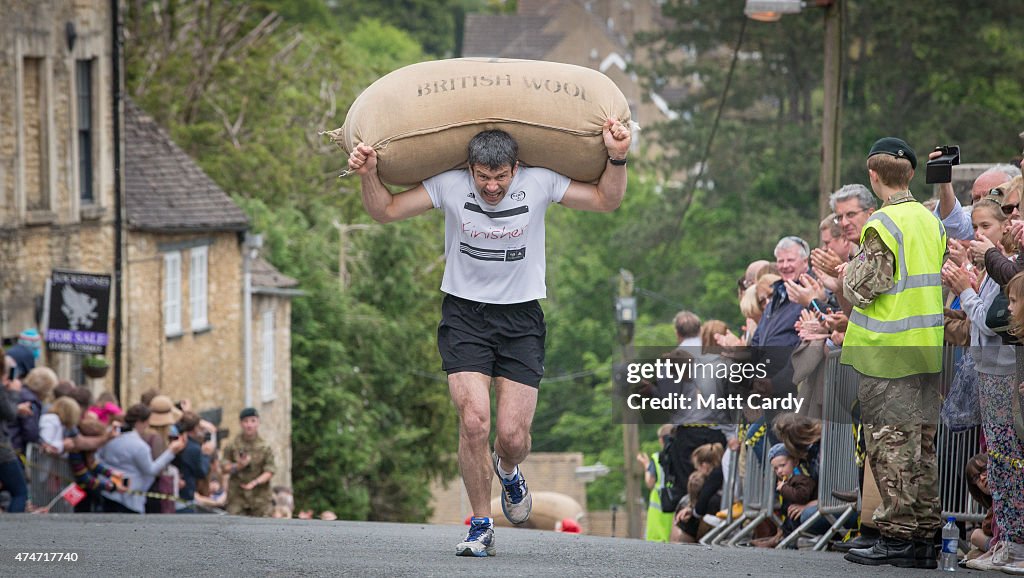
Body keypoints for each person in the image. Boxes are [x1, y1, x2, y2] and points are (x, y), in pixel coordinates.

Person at [347, 118, 631, 557]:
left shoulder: (540, 182)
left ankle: (509, 469)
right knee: (474, 420)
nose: (492, 188)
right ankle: (481, 524)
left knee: (512, 437)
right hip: (464, 315)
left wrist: (616, 156)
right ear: (470, 169)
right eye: (483, 177)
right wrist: (367, 175)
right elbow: (383, 210)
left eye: (500, 177)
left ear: (515, 168)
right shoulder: (448, 185)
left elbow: (606, 199)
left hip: (521, 319)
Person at [839, 137, 946, 569]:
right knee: (921, 447)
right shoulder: (930, 221)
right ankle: (923, 534)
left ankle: (898, 535)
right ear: (911, 174)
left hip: (888, 354)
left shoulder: (884, 223)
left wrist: (847, 270)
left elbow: (866, 285)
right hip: (925, 349)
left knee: (891, 447)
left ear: (873, 176)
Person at [97, 403, 187, 513]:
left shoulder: (110, 434)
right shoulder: (139, 446)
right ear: (142, 422)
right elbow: (151, 470)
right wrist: (171, 452)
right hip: (130, 499)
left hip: (106, 490)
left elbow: (98, 457)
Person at [220, 407, 275, 517]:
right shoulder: (232, 446)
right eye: (246, 421)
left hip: (260, 497)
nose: (249, 425)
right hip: (237, 496)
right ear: (241, 423)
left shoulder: (265, 447)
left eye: (253, 421)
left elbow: (270, 471)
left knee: (262, 528)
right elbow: (224, 468)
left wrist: (255, 482)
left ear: (258, 423)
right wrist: (238, 466)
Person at [0, 349, 29, 512]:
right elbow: (9, 413)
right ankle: (13, 531)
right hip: (2, 448)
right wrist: (14, 392)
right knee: (20, 491)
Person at [636, 424, 674, 542]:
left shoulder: (657, 458)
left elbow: (650, 482)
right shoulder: (682, 457)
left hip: (658, 514)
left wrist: (646, 466)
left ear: (661, 439)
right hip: (675, 513)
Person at [172, 411, 215, 512]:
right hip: (185, 498)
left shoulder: (176, 441)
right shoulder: (193, 448)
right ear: (195, 428)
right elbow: (201, 472)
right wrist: (206, 455)